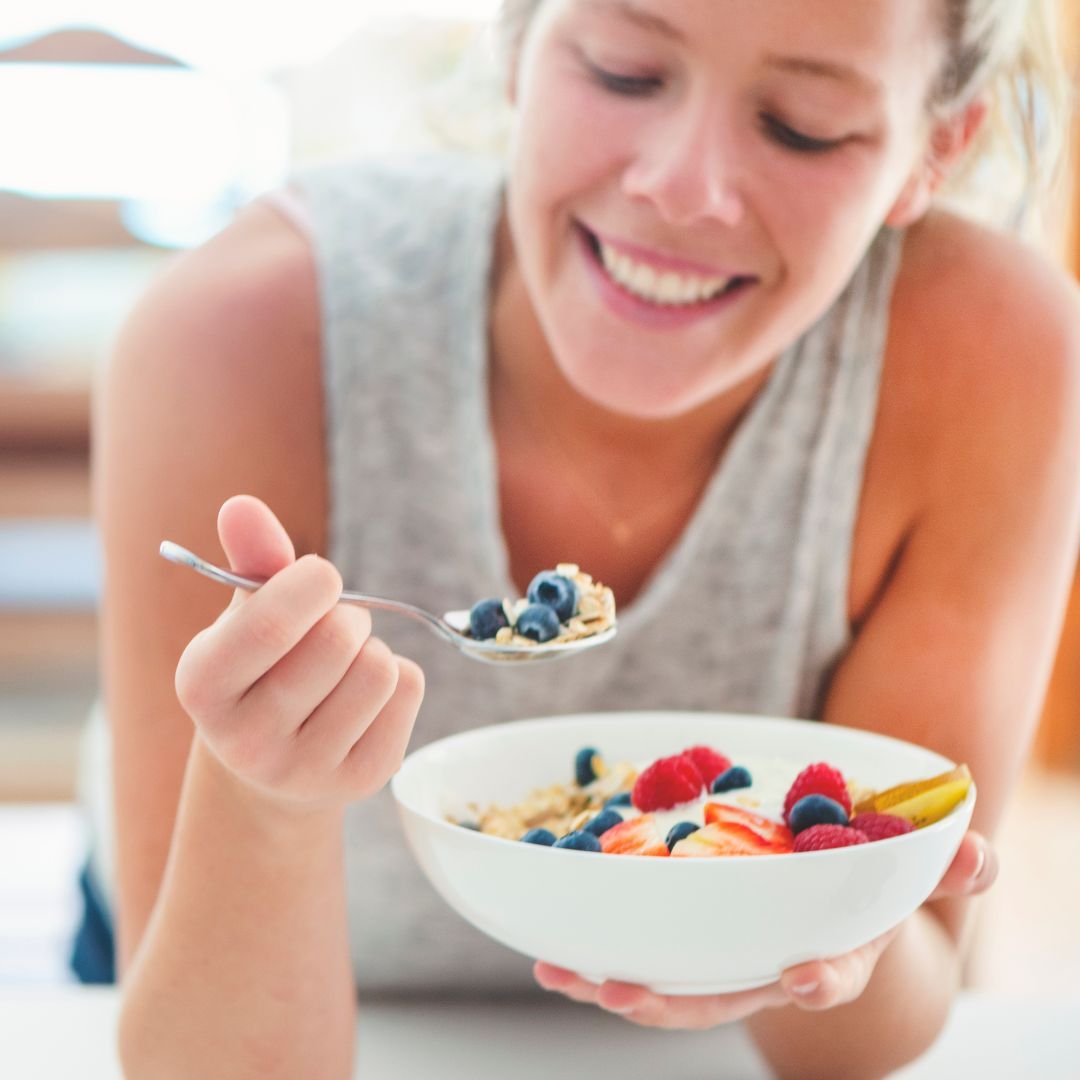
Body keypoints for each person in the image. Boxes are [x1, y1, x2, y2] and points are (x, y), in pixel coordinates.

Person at [84, 0, 1079, 1076]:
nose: (680, 185)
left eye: (800, 125)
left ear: (935, 150)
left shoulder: (995, 359)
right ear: (516, 43)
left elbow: (873, 1025)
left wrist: (819, 913)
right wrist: (261, 805)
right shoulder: (245, 333)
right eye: (623, 72)